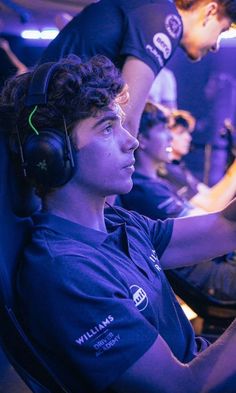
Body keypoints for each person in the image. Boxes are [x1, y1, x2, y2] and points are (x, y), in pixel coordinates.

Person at [2, 55, 236, 393]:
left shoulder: (116, 223)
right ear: (52, 154)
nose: (132, 141)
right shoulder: (65, 273)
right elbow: (186, 388)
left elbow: (226, 228)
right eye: (108, 128)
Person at [38, 0, 236, 137]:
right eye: (223, 30)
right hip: (49, 130)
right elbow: (126, 120)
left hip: (39, 127)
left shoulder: (151, 9)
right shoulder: (167, 21)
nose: (216, 45)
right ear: (210, 11)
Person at [119, 102, 236, 300]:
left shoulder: (161, 183)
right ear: (142, 139)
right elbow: (209, 222)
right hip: (210, 275)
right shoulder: (142, 189)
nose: (170, 136)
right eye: (164, 129)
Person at [159, 109, 236, 212]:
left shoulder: (178, 167)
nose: (188, 138)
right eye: (181, 133)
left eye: (188, 133)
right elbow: (211, 207)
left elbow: (211, 195)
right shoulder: (169, 171)